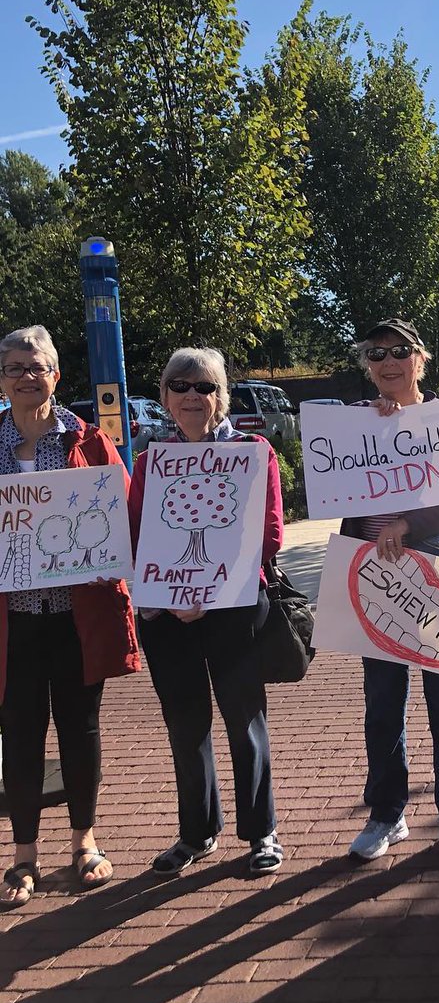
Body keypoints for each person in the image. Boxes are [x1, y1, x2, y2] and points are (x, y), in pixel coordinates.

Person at [129, 348, 285, 877]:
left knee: (244, 720)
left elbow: (269, 534)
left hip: (234, 608)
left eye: (205, 386)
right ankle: (196, 832)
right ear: (165, 395)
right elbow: (138, 536)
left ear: (221, 396)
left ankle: (261, 830)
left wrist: (208, 592)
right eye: (181, 385)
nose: (192, 395)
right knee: (185, 724)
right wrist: (174, 595)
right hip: (167, 614)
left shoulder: (253, 452)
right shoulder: (151, 462)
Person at [0, 326, 140, 908]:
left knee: (80, 733)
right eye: (15, 367)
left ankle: (85, 842)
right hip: (14, 622)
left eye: (38, 366)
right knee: (19, 738)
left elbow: (124, 512)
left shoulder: (88, 440)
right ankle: (23, 857)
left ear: (56, 374)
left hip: (76, 616)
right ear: (2, 379)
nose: (28, 376)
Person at [342, 319, 439, 864]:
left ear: (421, 359)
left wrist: (410, 525)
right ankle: (387, 814)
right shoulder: (354, 425)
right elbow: (339, 492)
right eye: (376, 354)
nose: (388, 362)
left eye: (400, 351)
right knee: (382, 705)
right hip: (374, 579)